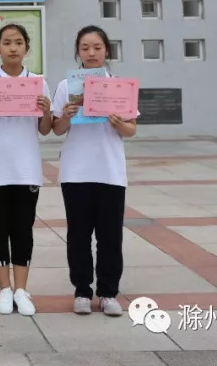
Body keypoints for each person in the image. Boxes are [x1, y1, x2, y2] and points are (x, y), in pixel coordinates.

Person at [51, 25, 137, 317]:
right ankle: (82, 291)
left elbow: (131, 129)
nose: (91, 53)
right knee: (78, 234)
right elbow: (56, 129)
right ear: (78, 51)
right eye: (85, 48)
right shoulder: (66, 86)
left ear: (106, 51)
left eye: (97, 47)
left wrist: (117, 123)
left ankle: (109, 292)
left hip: (110, 171)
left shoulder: (120, 86)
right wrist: (65, 115)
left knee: (110, 235)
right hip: (75, 172)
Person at [0, 23, 51, 316]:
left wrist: (45, 109)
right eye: (7, 43)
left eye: (18, 42)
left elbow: (46, 129)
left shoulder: (38, 83)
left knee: (23, 229)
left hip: (26, 169)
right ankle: (4, 289)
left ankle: (21, 290)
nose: (13, 48)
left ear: (27, 48)